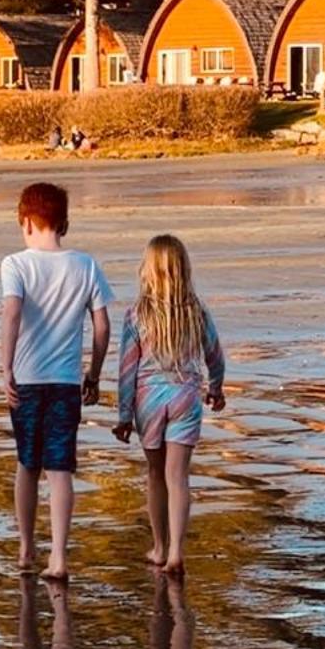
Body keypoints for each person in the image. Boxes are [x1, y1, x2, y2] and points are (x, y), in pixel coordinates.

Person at [0, 181, 112, 583]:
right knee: (60, 470)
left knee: (27, 465)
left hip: (27, 380)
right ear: (64, 222)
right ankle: (59, 557)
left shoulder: (16, 264)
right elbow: (102, 326)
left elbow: (12, 315)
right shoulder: (85, 265)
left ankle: (27, 546)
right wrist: (94, 373)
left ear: (26, 222)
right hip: (66, 381)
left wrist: (5, 367)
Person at [113, 234, 225, 579]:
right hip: (186, 398)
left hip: (148, 400)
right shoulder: (197, 311)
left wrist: (123, 415)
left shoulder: (137, 315)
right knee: (178, 477)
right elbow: (215, 356)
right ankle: (177, 551)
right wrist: (216, 388)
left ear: (147, 270)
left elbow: (127, 370)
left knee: (154, 475)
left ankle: (160, 546)